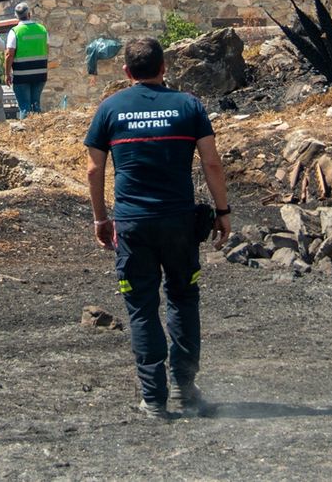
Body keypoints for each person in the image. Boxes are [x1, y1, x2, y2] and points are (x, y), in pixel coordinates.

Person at [85, 37, 230, 421]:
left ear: (126, 72)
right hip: (180, 223)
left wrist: (101, 218)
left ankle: (153, 398)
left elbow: (94, 169)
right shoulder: (189, 106)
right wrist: (222, 210)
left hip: (133, 225)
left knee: (142, 307)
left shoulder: (110, 109)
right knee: (183, 299)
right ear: (164, 68)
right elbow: (212, 164)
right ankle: (184, 387)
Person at [4, 1, 48, 117]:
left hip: (22, 75)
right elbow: (46, 49)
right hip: (40, 74)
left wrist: (7, 74)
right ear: (29, 14)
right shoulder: (42, 29)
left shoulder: (15, 32)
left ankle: (27, 133)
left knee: (25, 107)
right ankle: (38, 131)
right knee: (35, 105)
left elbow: (9, 55)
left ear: (16, 16)